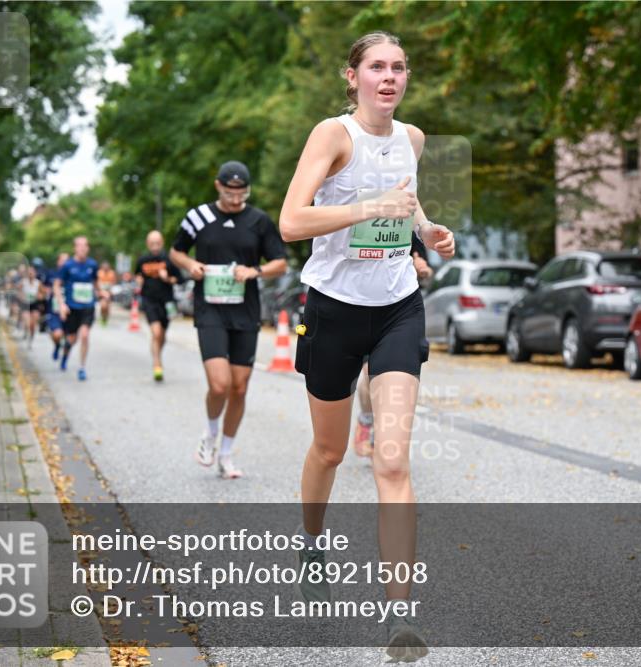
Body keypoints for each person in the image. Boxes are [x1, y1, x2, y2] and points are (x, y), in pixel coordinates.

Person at [278, 31, 454, 660]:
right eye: (376, 67)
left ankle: (399, 616)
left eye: (399, 67)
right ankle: (311, 539)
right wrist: (367, 208)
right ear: (351, 77)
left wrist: (427, 230)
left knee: (392, 459)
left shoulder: (412, 139)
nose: (390, 77)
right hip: (332, 309)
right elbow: (292, 221)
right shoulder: (333, 135)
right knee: (328, 450)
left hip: (397, 309)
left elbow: (403, 204)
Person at [170, 160, 288, 479]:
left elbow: (281, 262)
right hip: (209, 308)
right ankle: (210, 434)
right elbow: (176, 252)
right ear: (218, 186)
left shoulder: (259, 221)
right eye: (229, 192)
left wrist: (255, 271)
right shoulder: (199, 216)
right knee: (219, 384)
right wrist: (190, 264)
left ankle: (226, 454)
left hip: (245, 310)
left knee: (239, 387)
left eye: (241, 193)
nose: (236, 199)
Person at [352, 235, 434, 457]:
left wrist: (423, 269)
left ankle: (384, 435)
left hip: (399, 312)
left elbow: (424, 268)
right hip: (357, 306)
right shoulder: (359, 216)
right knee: (369, 373)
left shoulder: (407, 226)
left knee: (390, 376)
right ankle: (367, 419)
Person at [135, 230, 183, 381]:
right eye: (152, 243)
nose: (155, 246)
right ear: (148, 244)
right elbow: (137, 275)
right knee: (156, 332)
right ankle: (157, 363)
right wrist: (138, 281)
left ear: (162, 243)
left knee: (162, 336)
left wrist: (167, 278)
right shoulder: (142, 260)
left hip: (167, 302)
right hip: (149, 301)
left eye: (157, 243)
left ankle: (157, 354)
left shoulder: (168, 259)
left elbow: (180, 279)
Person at [53, 238, 98, 381]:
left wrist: (101, 292)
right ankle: (65, 354)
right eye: (79, 246)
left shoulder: (92, 265)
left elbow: (95, 284)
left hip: (88, 306)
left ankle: (82, 368)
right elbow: (56, 285)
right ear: (75, 248)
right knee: (71, 339)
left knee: (84, 335)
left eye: (85, 246)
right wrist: (61, 304)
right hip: (72, 307)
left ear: (88, 248)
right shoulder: (67, 266)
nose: (82, 249)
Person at [42, 253, 69, 361]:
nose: (65, 263)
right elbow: (43, 287)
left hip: (68, 309)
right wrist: (47, 291)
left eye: (67, 260)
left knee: (68, 338)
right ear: (58, 262)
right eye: (63, 260)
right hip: (53, 309)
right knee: (57, 334)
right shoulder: (51, 274)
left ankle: (64, 359)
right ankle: (57, 345)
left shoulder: (71, 274)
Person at [20, 263, 45, 348]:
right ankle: (25, 331)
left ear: (35, 273)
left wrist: (40, 296)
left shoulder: (38, 283)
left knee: (33, 325)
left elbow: (44, 294)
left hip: (35, 305)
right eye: (29, 273)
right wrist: (21, 296)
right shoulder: (23, 282)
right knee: (27, 323)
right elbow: (17, 292)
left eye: (32, 272)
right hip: (26, 304)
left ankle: (31, 339)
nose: (30, 274)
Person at [97, 260, 118, 327]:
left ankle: (106, 317)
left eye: (107, 266)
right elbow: (97, 282)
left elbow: (114, 282)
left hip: (109, 292)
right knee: (103, 306)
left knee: (107, 306)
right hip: (102, 291)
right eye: (104, 266)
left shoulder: (112, 273)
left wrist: (111, 291)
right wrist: (99, 291)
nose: (105, 268)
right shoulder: (99, 273)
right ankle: (102, 316)